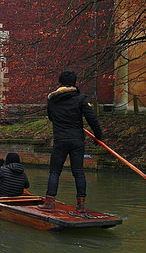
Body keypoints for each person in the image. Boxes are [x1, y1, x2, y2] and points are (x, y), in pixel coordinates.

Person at [40, 70, 103, 212]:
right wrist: (98, 136)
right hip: (77, 140)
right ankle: (80, 205)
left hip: (60, 139)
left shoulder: (52, 100)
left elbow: (51, 117)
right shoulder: (81, 98)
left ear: (60, 82)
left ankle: (49, 202)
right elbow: (91, 118)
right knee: (79, 172)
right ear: (75, 83)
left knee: (55, 172)